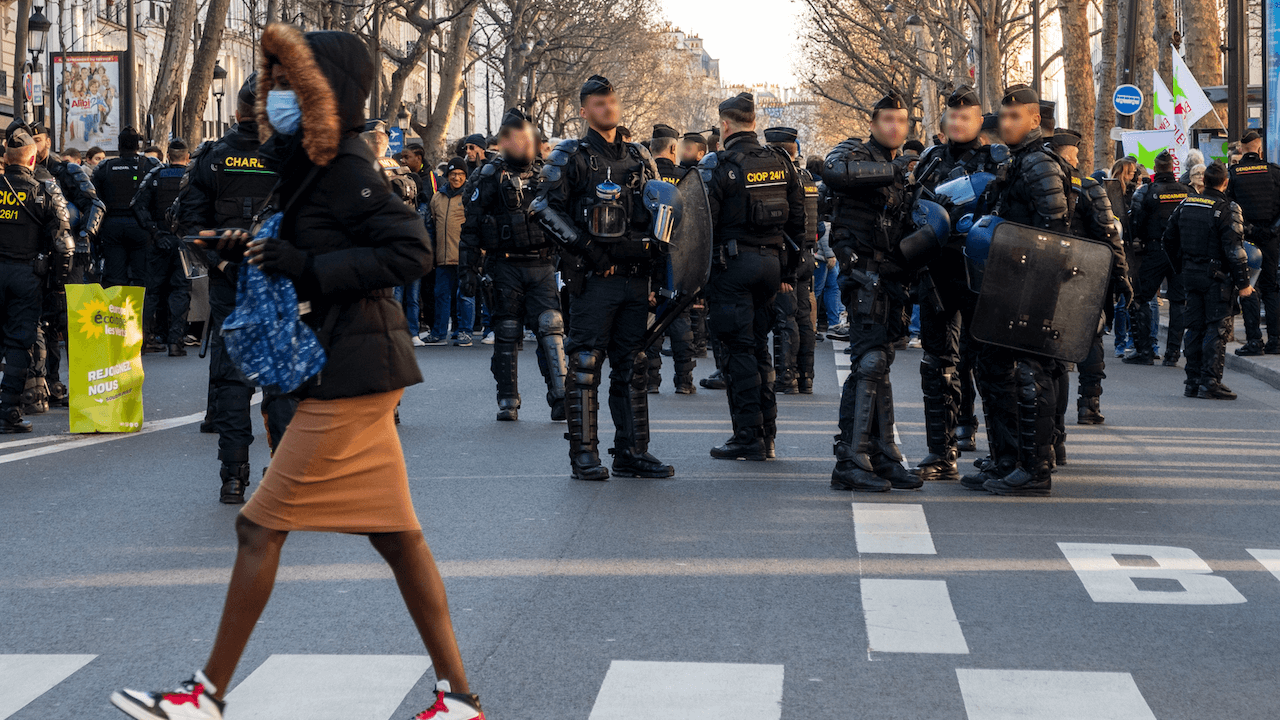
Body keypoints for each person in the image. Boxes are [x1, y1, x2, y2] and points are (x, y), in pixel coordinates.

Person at [109, 24, 486, 720]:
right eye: (273, 81)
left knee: (258, 527)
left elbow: (410, 252)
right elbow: (310, 246)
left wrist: (308, 268)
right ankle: (459, 697)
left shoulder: (343, 166)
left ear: (325, 93)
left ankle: (206, 695)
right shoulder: (308, 166)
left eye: (290, 84)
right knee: (399, 539)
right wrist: (245, 247)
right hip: (353, 363)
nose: (272, 95)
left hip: (348, 368)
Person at [532, 73, 674, 481]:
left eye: (610, 101)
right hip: (594, 278)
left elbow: (662, 213)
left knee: (633, 365)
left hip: (635, 276)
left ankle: (632, 452)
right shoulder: (571, 155)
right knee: (584, 365)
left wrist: (659, 270)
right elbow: (543, 208)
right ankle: (584, 455)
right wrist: (589, 251)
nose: (606, 107)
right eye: (597, 103)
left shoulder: (640, 156)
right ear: (584, 111)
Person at [174, 74, 296, 503]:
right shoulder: (295, 158)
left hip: (232, 282)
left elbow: (188, 226)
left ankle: (233, 477)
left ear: (238, 113)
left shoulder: (212, 158)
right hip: (280, 283)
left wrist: (223, 264)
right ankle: (282, 475)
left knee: (232, 381)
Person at [964, 84, 1070, 497]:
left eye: (1014, 117)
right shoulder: (1019, 160)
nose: (1006, 123)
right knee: (991, 367)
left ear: (1034, 120)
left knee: (1031, 375)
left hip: (1034, 283)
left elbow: (1055, 230)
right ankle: (1008, 458)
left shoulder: (1040, 163)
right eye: (1003, 116)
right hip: (1009, 281)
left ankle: (1035, 467)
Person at [823, 94, 922, 492]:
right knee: (869, 362)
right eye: (887, 119)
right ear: (874, 121)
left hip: (892, 276)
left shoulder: (909, 165)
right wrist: (891, 169)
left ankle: (881, 454)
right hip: (863, 274)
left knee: (878, 363)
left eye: (902, 120)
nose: (895, 127)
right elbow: (835, 172)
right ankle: (850, 458)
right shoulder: (855, 152)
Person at [698, 97, 803, 461]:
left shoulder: (718, 164)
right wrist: (789, 270)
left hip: (733, 266)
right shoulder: (781, 161)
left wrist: (702, 277)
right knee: (759, 347)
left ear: (725, 126)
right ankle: (767, 434)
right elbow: (798, 221)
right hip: (771, 266)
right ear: (754, 121)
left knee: (736, 351)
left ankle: (748, 436)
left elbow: (703, 226)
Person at [910, 85, 1003, 482]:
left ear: (979, 120)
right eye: (952, 115)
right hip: (938, 269)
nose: (958, 122)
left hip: (983, 273)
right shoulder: (930, 160)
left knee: (990, 364)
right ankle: (941, 452)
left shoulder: (998, 160)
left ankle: (1001, 454)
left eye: (966, 116)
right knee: (937, 363)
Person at [459, 107, 567, 422]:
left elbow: (565, 219)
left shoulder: (547, 173)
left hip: (542, 262)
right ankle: (508, 400)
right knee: (507, 331)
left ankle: (561, 396)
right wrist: (467, 270)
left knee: (551, 327)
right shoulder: (489, 175)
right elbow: (471, 226)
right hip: (503, 264)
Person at [1047, 129, 1129, 432]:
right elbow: (1109, 236)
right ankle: (1089, 404)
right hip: (1085, 274)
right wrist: (1121, 276)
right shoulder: (1089, 188)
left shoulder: (1038, 183)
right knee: (1091, 337)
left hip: (1048, 273)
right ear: (1071, 154)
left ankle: (1052, 419)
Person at [0, 128, 73, 433]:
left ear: (6, 158)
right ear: (31, 158)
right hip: (26, 276)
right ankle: (9, 413)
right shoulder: (43, 190)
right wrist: (57, 284)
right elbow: (63, 245)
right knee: (20, 342)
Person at [1168, 162, 1253, 399]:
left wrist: (1181, 267)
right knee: (1216, 328)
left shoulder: (1186, 204)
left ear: (1203, 181)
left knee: (1194, 327)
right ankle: (1210, 381)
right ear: (1225, 183)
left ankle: (1192, 381)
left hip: (1191, 274)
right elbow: (1235, 251)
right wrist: (1244, 284)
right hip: (1217, 278)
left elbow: (1168, 239)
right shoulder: (1228, 209)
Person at [643, 122, 698, 394]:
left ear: (652, 149)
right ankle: (684, 381)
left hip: (647, 257)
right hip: (679, 259)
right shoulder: (687, 178)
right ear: (674, 148)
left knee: (651, 317)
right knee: (679, 318)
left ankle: (651, 380)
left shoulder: (642, 177)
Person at [763, 126, 817, 395]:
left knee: (786, 318)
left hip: (788, 254)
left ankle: (787, 375)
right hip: (807, 253)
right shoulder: (806, 176)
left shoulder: (781, 177)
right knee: (804, 317)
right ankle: (806, 375)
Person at [1123, 150, 1190, 366]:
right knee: (1178, 302)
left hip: (1155, 250)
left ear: (1155, 167)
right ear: (1172, 168)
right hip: (1179, 251)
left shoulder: (1147, 192)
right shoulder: (1186, 191)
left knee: (1141, 298)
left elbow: (1136, 222)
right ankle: (1172, 354)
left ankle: (1144, 351)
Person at [363, 120, 425, 344]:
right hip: (405, 239)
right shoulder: (398, 167)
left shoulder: (367, 168)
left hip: (379, 243)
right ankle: (411, 332)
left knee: (390, 293)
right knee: (408, 294)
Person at [132, 137, 193, 357]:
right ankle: (176, 342)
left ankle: (146, 340)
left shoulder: (156, 175)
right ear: (187, 157)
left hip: (159, 240)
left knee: (152, 291)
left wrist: (155, 233)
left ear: (167, 156)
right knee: (180, 290)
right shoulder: (192, 178)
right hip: (185, 242)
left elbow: (137, 205)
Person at [1228, 131, 1280, 356]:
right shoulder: (1274, 172)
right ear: (1259, 149)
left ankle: (1254, 341)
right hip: (1270, 239)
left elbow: (1229, 208)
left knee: (1248, 287)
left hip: (1245, 239)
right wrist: (1270, 230)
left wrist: (1249, 230)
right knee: (1271, 288)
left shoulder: (1234, 174)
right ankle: (1276, 340)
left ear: (1241, 149)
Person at [93, 126, 160, 288]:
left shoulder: (105, 168)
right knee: (141, 277)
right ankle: (140, 311)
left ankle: (117, 312)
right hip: (141, 227)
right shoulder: (150, 167)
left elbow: (96, 200)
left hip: (112, 226)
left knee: (115, 279)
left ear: (119, 146)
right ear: (138, 146)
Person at [425, 157, 474, 346]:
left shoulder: (470, 196)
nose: (457, 178)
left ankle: (465, 332)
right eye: (453, 174)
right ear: (447, 176)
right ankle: (438, 333)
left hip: (464, 254)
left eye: (461, 174)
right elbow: (432, 225)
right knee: (441, 295)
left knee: (465, 295)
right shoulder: (437, 197)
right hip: (443, 256)